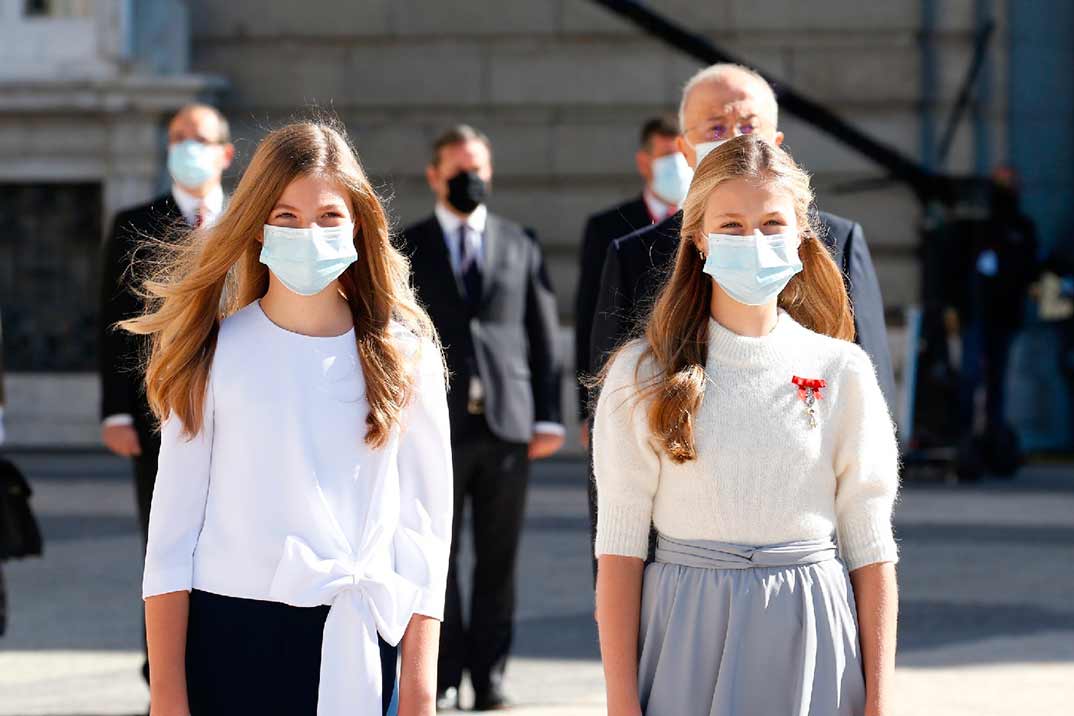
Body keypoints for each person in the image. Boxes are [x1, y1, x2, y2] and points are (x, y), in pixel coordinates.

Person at [123, 120, 452, 715]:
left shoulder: (408, 357)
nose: (309, 233)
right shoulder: (213, 352)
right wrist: (167, 693)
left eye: (329, 216)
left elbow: (424, 532)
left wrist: (420, 688)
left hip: (362, 638)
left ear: (359, 224)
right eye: (286, 217)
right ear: (256, 228)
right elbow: (171, 539)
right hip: (232, 638)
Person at [593, 135, 900, 716]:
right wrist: (621, 702)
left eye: (771, 223)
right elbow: (619, 553)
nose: (753, 241)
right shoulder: (641, 375)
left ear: (801, 235)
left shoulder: (843, 370)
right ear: (699, 236)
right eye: (730, 225)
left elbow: (872, 548)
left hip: (813, 632)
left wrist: (880, 701)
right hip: (687, 629)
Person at [590, 64, 895, 407]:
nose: (735, 140)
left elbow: (874, 395)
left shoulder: (836, 241)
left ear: (777, 144)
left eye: (749, 126)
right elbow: (610, 411)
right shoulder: (635, 255)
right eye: (716, 128)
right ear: (686, 149)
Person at [399, 125, 563, 711]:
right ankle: (441, 676)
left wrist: (549, 416)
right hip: (434, 428)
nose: (472, 177)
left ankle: (490, 676)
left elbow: (541, 335)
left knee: (498, 558)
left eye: (480, 167)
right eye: (460, 167)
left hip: (505, 426)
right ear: (435, 175)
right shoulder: (407, 246)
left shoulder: (520, 242)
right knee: (434, 557)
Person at [97, 103, 234, 683]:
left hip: (236, 410)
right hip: (158, 412)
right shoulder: (134, 224)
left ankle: (224, 659)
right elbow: (111, 321)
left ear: (226, 153)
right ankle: (167, 674)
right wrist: (114, 411)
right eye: (178, 137)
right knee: (166, 540)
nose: (187, 147)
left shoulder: (250, 224)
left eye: (199, 138)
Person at [575, 115, 688, 435]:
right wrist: (589, 407)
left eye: (682, 154)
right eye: (667, 156)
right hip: (630, 387)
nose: (677, 165)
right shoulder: (607, 228)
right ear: (644, 162)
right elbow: (591, 320)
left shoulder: (711, 220)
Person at [952, 166, 1039, 479]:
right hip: (977, 314)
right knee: (972, 376)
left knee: (996, 381)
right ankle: (967, 438)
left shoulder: (1020, 228)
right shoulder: (977, 229)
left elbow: (1028, 269)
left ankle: (993, 438)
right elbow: (958, 270)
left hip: (1003, 315)